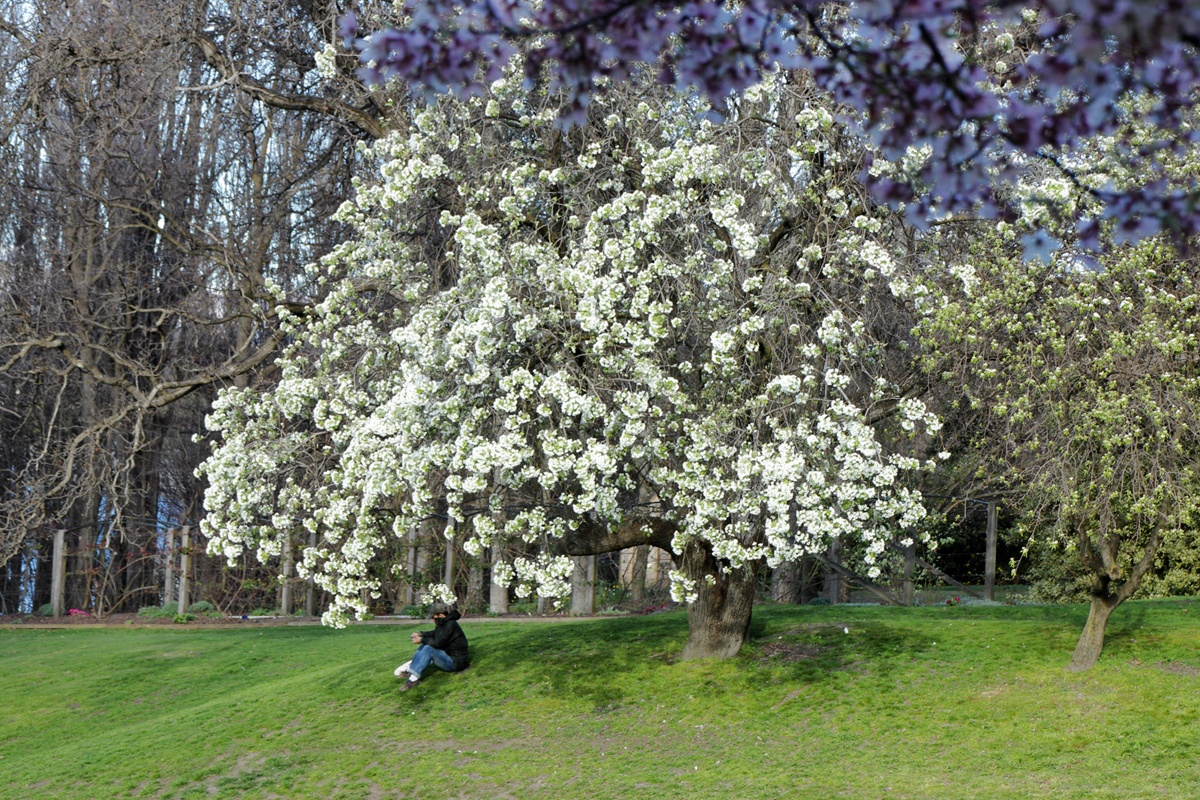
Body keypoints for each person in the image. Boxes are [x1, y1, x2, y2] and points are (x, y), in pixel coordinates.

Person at [394, 601, 469, 692]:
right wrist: (421, 634)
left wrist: (421, 640)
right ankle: (412, 671)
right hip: (448, 656)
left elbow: (438, 643)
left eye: (433, 617)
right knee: (425, 645)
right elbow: (435, 633)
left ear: (440, 615)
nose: (432, 620)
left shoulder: (450, 625)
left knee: (429, 648)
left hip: (456, 663)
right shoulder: (444, 623)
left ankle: (413, 680)